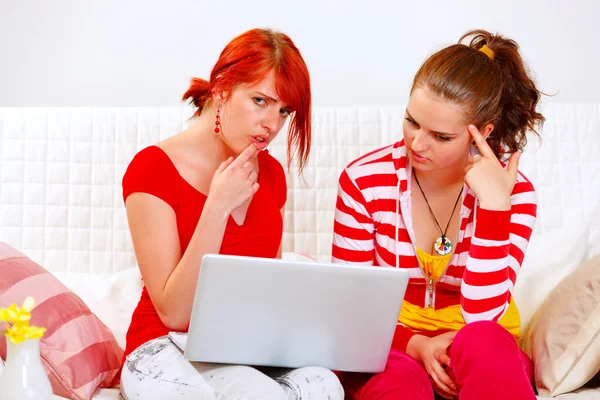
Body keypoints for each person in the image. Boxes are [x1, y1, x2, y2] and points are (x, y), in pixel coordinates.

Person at [119, 28, 344, 400]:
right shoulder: (152, 169)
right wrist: (217, 207)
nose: (272, 124)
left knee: (324, 384)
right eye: (260, 100)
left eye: (284, 110)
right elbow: (174, 312)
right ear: (222, 88)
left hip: (238, 348)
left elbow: (265, 287)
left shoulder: (271, 174)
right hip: (163, 346)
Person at [332, 29, 544, 400]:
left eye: (441, 136)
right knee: (398, 382)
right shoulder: (364, 180)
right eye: (412, 121)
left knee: (484, 345)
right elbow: (351, 309)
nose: (417, 144)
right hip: (390, 341)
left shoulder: (514, 192)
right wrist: (415, 346)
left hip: (479, 341)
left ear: (483, 134)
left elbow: (482, 316)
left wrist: (495, 206)